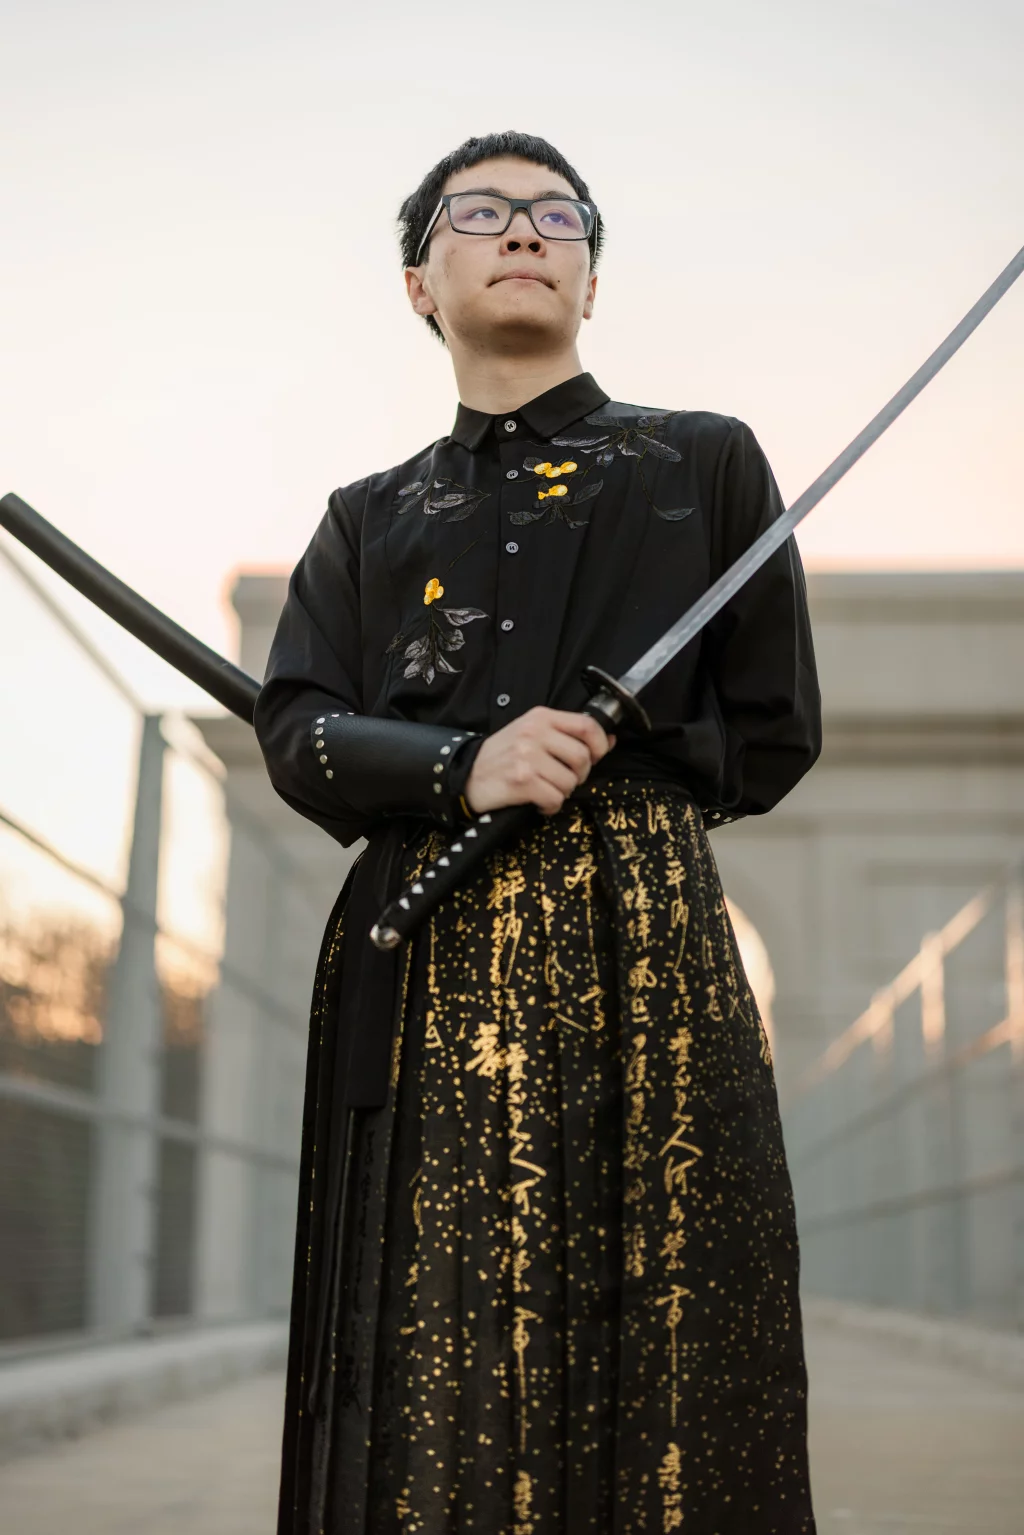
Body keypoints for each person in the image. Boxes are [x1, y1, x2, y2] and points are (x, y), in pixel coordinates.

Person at [255, 129, 821, 1535]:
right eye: (484, 212)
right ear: (417, 280)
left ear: (588, 273)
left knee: (677, 1314)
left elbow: (774, 725)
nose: (524, 230)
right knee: (451, 1321)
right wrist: (465, 763)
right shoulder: (366, 519)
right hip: (435, 952)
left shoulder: (706, 464)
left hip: (647, 944)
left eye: (557, 214)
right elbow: (298, 733)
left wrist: (623, 781)